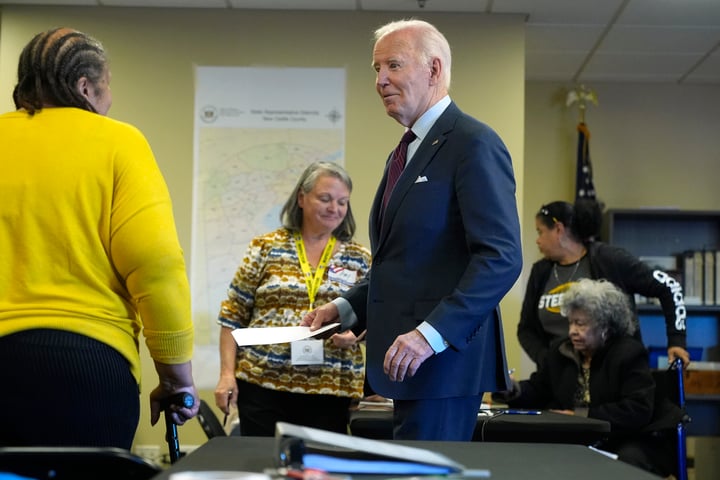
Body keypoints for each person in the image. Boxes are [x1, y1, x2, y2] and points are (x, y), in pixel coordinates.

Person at [303, 19, 522, 441]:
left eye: (394, 66)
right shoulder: (404, 151)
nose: (380, 80)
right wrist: (345, 309)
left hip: (442, 363)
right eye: (376, 69)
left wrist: (430, 335)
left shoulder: (473, 142)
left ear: (434, 70)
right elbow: (404, 260)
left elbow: (501, 257)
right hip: (405, 362)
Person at [0, 28, 199, 449]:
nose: (109, 101)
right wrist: (174, 378)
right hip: (87, 369)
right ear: (85, 87)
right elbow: (156, 264)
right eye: (107, 88)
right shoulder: (118, 142)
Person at [213, 162, 371, 436]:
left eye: (342, 202)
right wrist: (227, 374)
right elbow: (232, 316)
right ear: (301, 198)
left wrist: (356, 335)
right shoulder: (265, 247)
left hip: (330, 387)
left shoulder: (360, 257)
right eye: (325, 198)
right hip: (263, 382)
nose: (334, 208)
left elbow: (377, 318)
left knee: (320, 473)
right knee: (264, 467)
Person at [496, 278, 678, 477]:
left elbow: (637, 410)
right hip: (574, 438)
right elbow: (539, 389)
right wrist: (512, 389)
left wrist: (579, 417)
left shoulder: (629, 353)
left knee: (625, 462)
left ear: (605, 327)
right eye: (571, 322)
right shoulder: (560, 350)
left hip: (624, 438)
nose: (572, 331)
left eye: (580, 324)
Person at [518, 198, 689, 368]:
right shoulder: (540, 272)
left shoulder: (609, 260)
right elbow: (526, 330)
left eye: (540, 232)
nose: (537, 240)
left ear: (558, 229)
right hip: (560, 381)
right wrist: (548, 361)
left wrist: (676, 340)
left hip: (614, 375)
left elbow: (669, 286)